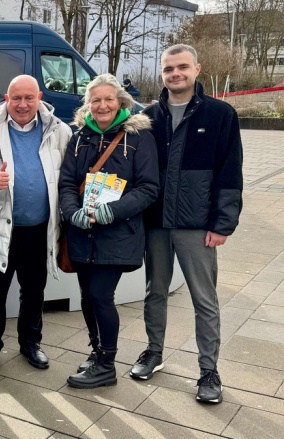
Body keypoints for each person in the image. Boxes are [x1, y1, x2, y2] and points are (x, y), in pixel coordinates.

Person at [133, 44, 243, 404]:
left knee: (204, 299)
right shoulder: (149, 117)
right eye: (168, 69)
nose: (175, 74)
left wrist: (223, 223)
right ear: (162, 73)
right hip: (157, 223)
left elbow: (230, 172)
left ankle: (209, 370)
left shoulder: (220, 114)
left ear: (197, 69)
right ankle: (154, 352)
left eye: (182, 67)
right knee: (155, 292)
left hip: (197, 225)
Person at [0, 75, 72, 374]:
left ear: (39, 98)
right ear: (6, 99)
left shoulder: (59, 130)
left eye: (29, 98)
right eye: (16, 98)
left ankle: (31, 343)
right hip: (0, 228)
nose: (23, 105)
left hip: (40, 229)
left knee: (34, 291)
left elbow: (70, 174)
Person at [59, 73, 159, 388]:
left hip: (117, 232)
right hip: (82, 231)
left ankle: (107, 365)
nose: (102, 105)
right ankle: (96, 351)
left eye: (108, 99)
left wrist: (112, 211)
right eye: (96, 100)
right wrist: (71, 212)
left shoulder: (139, 138)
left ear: (121, 102)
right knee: (87, 296)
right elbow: (66, 182)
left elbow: (148, 187)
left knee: (100, 295)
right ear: (88, 104)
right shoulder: (79, 138)